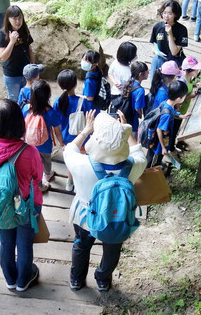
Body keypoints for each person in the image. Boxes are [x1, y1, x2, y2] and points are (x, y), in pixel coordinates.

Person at [64, 111, 146, 291]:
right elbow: (139, 152)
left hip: (85, 217)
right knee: (112, 250)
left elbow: (69, 149)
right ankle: (102, 279)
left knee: (81, 245)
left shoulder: (80, 164)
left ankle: (77, 279)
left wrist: (86, 130)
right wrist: (126, 131)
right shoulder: (135, 165)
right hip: (117, 217)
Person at [0, 99, 43, 292]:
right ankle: (23, 280)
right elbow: (37, 178)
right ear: (19, 124)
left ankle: (10, 279)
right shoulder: (29, 151)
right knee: (24, 244)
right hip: (25, 205)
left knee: (5, 242)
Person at [53, 69, 92, 192]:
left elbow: (56, 125)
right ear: (75, 84)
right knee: (81, 160)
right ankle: (79, 184)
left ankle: (69, 182)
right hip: (82, 139)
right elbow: (90, 120)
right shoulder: (83, 101)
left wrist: (61, 141)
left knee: (71, 160)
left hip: (67, 139)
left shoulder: (57, 102)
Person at [22, 80, 65, 191]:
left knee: (33, 162)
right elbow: (57, 131)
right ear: (48, 95)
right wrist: (61, 142)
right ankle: (47, 174)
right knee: (46, 160)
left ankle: (36, 178)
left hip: (29, 144)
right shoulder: (51, 112)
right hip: (45, 144)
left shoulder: (26, 109)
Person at [146, 81, 190, 168]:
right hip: (158, 145)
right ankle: (149, 173)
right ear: (178, 99)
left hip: (160, 141)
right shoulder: (167, 115)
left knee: (155, 159)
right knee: (153, 161)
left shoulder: (167, 103)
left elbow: (173, 112)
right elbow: (159, 130)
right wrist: (163, 147)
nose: (184, 98)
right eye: (184, 96)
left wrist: (181, 115)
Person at [0, 5, 34, 102]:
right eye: (14, 19)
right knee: (14, 100)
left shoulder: (24, 30)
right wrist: (12, 42)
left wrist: (33, 66)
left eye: (20, 18)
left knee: (28, 97)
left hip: (26, 72)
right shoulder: (3, 34)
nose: (18, 22)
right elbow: (3, 57)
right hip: (12, 75)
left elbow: (29, 49)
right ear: (8, 19)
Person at [149, 0, 188, 80]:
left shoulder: (182, 29)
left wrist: (170, 34)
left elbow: (174, 52)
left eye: (169, 13)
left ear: (175, 15)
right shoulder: (157, 27)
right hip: (161, 58)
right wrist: (154, 50)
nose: (166, 16)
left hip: (175, 59)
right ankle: (153, 87)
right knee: (156, 59)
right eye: (164, 13)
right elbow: (154, 44)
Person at [120, 61, 149, 136]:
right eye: (147, 72)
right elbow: (137, 108)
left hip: (125, 116)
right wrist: (140, 114)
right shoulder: (140, 90)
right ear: (140, 74)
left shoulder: (129, 82)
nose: (148, 73)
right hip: (132, 120)